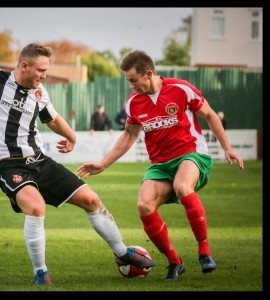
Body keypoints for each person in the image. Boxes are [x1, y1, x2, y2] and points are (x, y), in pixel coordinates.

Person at [0, 17, 155, 286]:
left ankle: (122, 255)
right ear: (24, 65)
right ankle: (41, 272)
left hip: (40, 161)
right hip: (8, 165)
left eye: (46, 71)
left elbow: (52, 118)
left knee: (92, 200)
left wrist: (71, 136)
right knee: (36, 208)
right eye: (40, 70)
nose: (44, 76)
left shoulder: (40, 93)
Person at [78, 50, 244, 281]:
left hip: (191, 154)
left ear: (149, 74)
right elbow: (128, 136)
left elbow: (210, 115)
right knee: (144, 205)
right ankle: (175, 262)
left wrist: (227, 147)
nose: (132, 86)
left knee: (182, 187)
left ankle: (204, 252)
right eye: (129, 81)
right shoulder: (133, 103)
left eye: (134, 80)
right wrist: (103, 164)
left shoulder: (181, 89)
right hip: (160, 163)